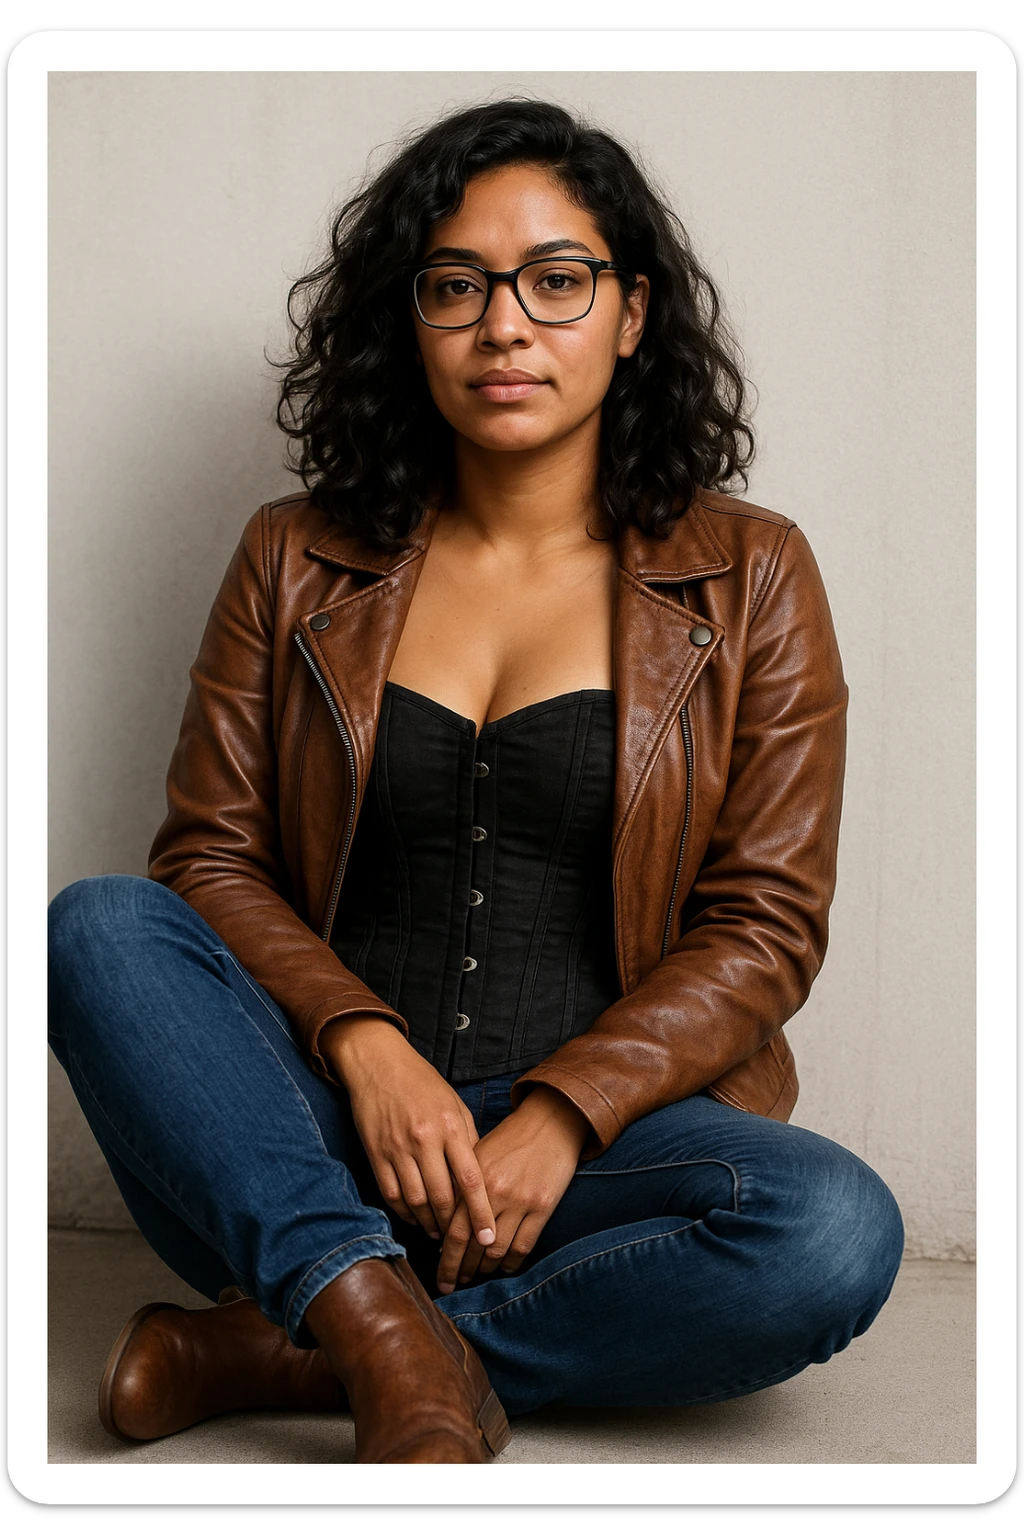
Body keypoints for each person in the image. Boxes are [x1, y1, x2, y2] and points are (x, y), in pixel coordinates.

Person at [47, 98, 904, 1466]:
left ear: (632, 315)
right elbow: (205, 862)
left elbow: (766, 924)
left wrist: (563, 1115)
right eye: (457, 286)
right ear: (412, 320)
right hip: (306, 1139)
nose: (506, 325)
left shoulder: (753, 575)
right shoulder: (293, 555)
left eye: (557, 281)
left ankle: (306, 1339)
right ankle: (357, 1285)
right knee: (92, 928)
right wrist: (362, 1045)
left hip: (591, 1163)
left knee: (834, 1231)